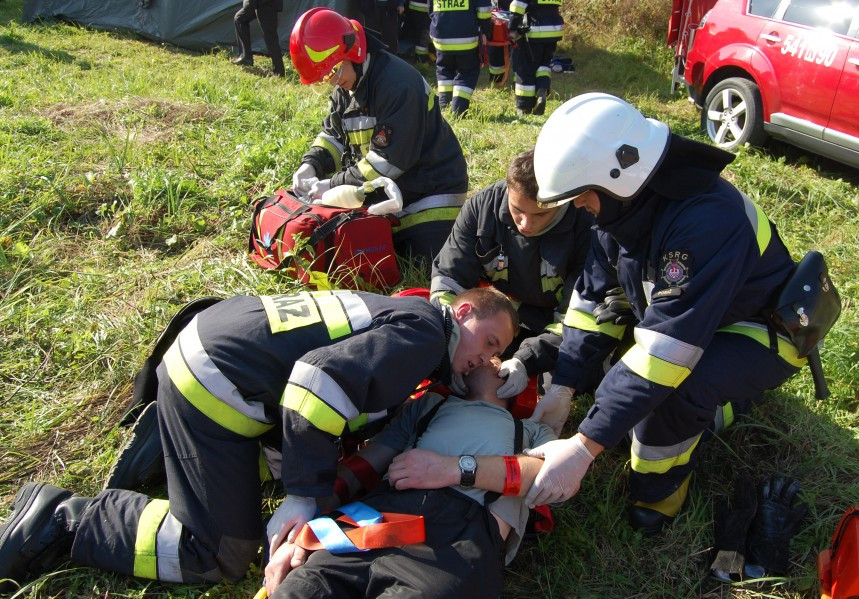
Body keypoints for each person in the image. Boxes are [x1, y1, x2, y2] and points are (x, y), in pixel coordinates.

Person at [0, 287, 518, 591]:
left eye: (498, 355)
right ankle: (63, 519)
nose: (487, 358)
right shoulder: (426, 334)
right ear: (462, 312)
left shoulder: (406, 313)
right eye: (489, 341)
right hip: (218, 383)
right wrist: (304, 496)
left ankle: (176, 437)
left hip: (218, 349)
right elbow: (316, 384)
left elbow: (308, 377)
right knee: (220, 553)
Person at [523, 93, 806, 536]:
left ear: (619, 177)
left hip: (759, 332)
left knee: (674, 391)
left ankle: (659, 494)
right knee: (624, 384)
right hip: (691, 321)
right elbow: (591, 304)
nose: (577, 204)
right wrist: (564, 383)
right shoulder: (622, 212)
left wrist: (583, 447)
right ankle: (711, 405)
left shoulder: (707, 221)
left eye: (582, 193)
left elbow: (665, 354)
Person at [265, 358, 556, 597]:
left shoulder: (531, 430)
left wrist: (452, 469)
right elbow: (359, 469)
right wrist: (305, 528)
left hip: (454, 546)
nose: (488, 359)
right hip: (376, 519)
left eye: (497, 357)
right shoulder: (429, 405)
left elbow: (547, 476)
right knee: (301, 590)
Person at [288, 8, 469, 263]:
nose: (332, 82)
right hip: (389, 192)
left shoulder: (398, 84)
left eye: (333, 72)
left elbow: (387, 163)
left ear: (352, 52)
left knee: (419, 262)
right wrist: (311, 164)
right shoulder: (348, 83)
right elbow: (333, 136)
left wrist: (331, 185)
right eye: (325, 77)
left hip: (430, 194)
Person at [430, 148, 595, 400]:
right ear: (508, 190)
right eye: (517, 209)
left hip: (557, 323)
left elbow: (578, 318)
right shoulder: (481, 208)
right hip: (503, 320)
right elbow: (448, 280)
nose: (525, 224)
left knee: (564, 381)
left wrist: (526, 360)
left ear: (562, 202)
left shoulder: (587, 228)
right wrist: (448, 339)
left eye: (541, 214)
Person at [429, 0, 492, 116]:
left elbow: (430, 9)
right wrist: (486, 31)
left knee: (444, 69)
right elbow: (484, 11)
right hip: (466, 38)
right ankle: (458, 110)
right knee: (467, 72)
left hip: (441, 37)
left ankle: (444, 105)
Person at [508, 0, 564, 115]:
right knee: (544, 63)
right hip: (554, 30)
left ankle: (525, 108)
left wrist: (512, 28)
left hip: (534, 30)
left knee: (525, 67)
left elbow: (517, 5)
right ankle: (542, 89)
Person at [233, 0, 286, 77]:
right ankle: (245, 57)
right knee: (239, 19)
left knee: (270, 37)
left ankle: (279, 72)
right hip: (259, 3)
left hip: (267, 4)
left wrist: (249, 5)